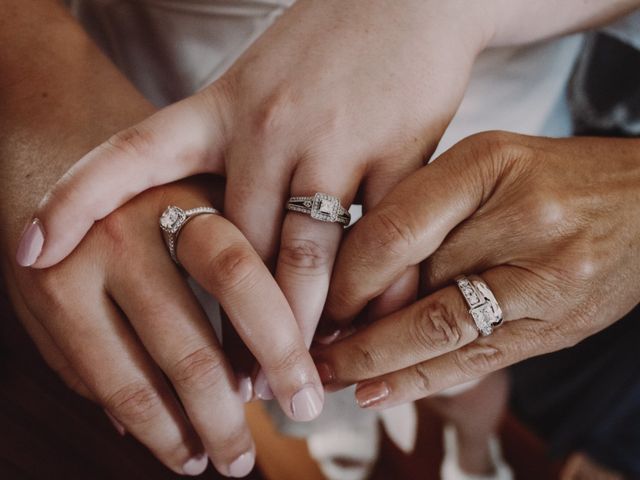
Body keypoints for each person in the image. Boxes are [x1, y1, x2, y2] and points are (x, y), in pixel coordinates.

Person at [4, 0, 640, 478]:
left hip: (490, 194)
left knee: (463, 372)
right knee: (267, 358)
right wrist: (39, 95)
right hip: (172, 179)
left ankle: (476, 450)